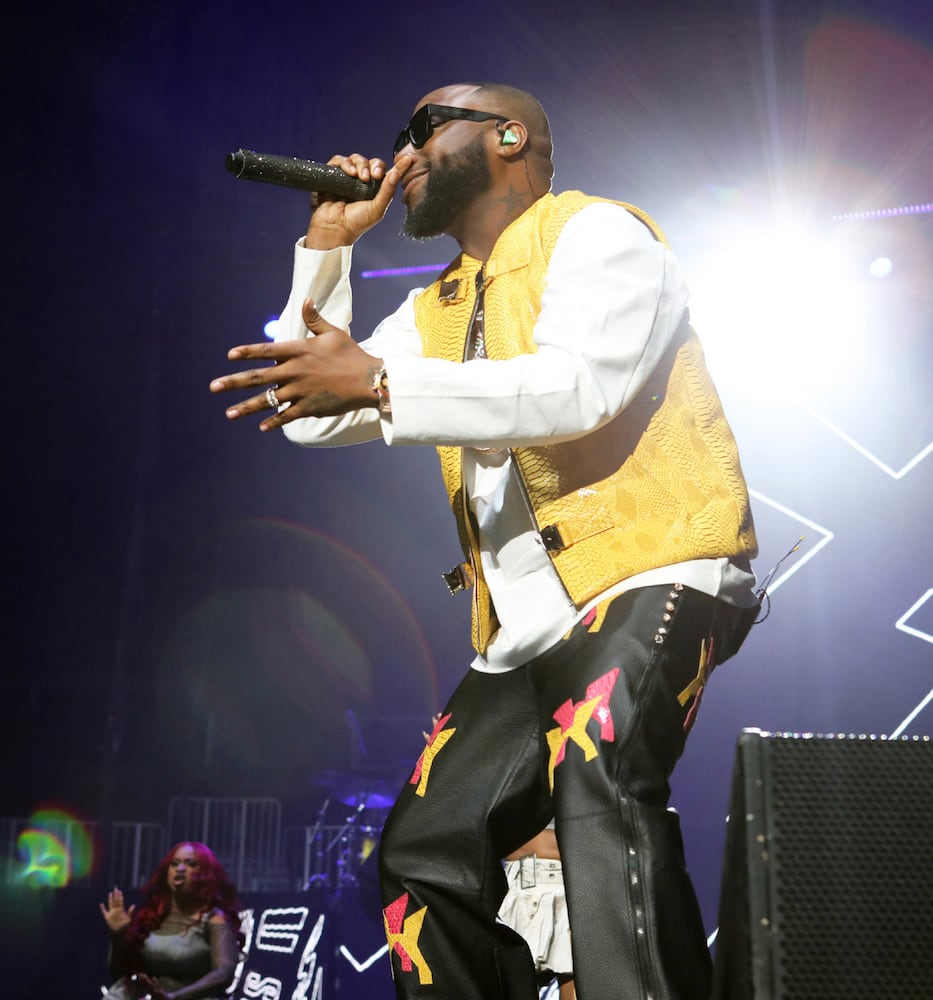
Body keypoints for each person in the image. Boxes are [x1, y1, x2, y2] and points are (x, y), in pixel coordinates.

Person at [210, 81, 760, 1000]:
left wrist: (381, 383)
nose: (403, 152)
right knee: (425, 853)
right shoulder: (434, 308)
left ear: (507, 136)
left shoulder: (596, 233)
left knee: (600, 785)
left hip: (651, 567)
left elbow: (577, 387)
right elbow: (306, 409)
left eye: (425, 127)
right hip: (521, 634)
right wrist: (328, 248)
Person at [98, 841, 241, 1000]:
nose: (180, 869)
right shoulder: (152, 917)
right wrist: (119, 935)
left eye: (190, 864)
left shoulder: (214, 919)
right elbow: (118, 971)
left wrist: (174, 997)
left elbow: (224, 973)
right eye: (174, 864)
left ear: (206, 875)